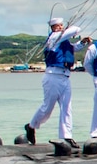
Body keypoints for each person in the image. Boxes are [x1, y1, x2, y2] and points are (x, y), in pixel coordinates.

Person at [25, 16, 89, 147]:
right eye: (58, 26)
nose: (61, 27)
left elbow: (73, 48)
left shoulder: (63, 41)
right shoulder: (53, 38)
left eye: (62, 25)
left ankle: (66, 136)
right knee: (47, 107)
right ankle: (32, 125)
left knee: (67, 107)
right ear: (53, 28)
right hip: (53, 76)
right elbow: (75, 29)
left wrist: (82, 43)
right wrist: (72, 30)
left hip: (65, 76)